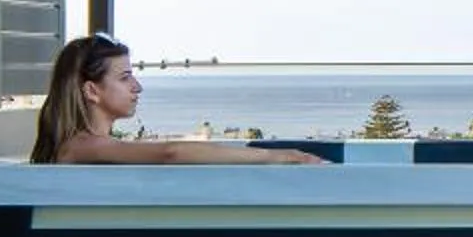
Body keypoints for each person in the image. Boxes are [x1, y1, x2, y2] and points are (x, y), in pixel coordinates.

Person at [27, 35, 330, 164]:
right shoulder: (80, 145)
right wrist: (276, 156)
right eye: (125, 77)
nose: (137, 87)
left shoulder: (88, 144)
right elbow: (171, 152)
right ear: (92, 91)